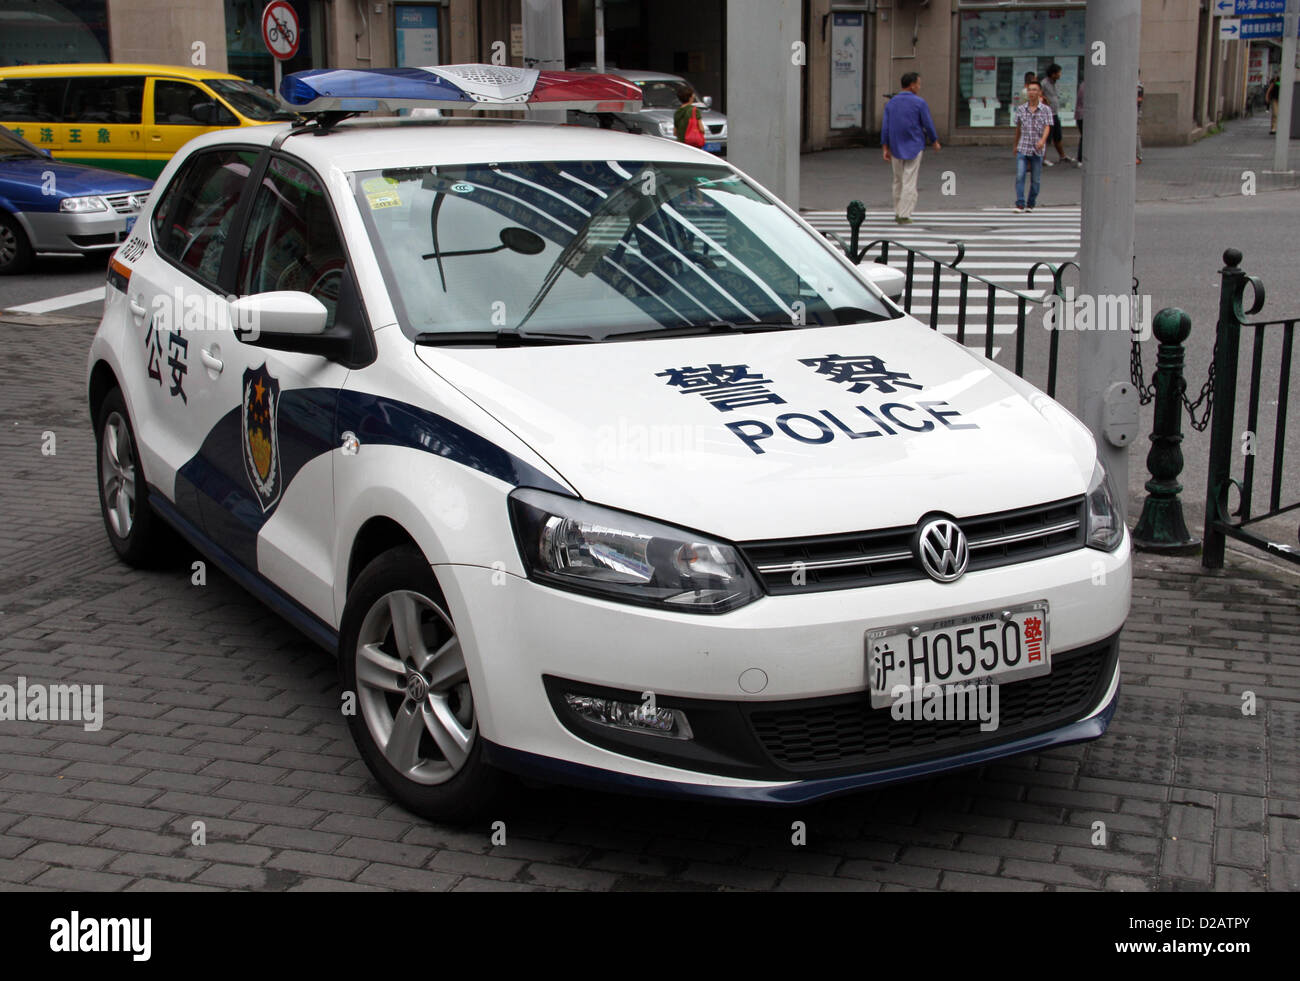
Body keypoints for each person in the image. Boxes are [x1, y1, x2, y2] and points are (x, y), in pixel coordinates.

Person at [881, 72, 940, 225]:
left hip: (895, 145)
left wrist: (885, 147)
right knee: (909, 180)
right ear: (912, 85)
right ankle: (904, 214)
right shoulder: (919, 103)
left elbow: (885, 127)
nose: (919, 87)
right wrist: (934, 140)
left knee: (897, 180)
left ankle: (897, 210)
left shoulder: (891, 103)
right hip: (914, 144)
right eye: (918, 84)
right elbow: (928, 123)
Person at [1013, 79, 1053, 214]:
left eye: (1034, 90)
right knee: (1020, 175)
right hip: (1023, 147)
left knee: (1035, 180)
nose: (1031, 92)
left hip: (1037, 149)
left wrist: (1043, 140)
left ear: (1039, 92)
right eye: (1030, 90)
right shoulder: (1021, 109)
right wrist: (1015, 145)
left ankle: (1031, 203)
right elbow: (1018, 128)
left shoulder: (1045, 110)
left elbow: (1047, 127)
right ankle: (1020, 203)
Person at [1038, 63, 1074, 167]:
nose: (1060, 74)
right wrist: (1044, 100)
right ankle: (1042, 159)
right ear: (1053, 74)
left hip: (1055, 114)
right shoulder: (1044, 83)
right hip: (1047, 115)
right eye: (1058, 72)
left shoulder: (1055, 83)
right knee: (1046, 137)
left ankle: (1062, 156)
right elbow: (1039, 94)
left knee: (1057, 137)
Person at [1075, 78, 1084, 165]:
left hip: (1080, 115)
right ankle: (1081, 158)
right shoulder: (1088, 86)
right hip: (1084, 115)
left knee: (1084, 137)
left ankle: (1081, 158)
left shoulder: (1082, 85)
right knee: (1085, 137)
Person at [1136, 75, 1144, 164]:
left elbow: (1138, 100)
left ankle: (1138, 156)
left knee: (1135, 134)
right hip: (1135, 112)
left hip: (1135, 113)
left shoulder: (1138, 86)